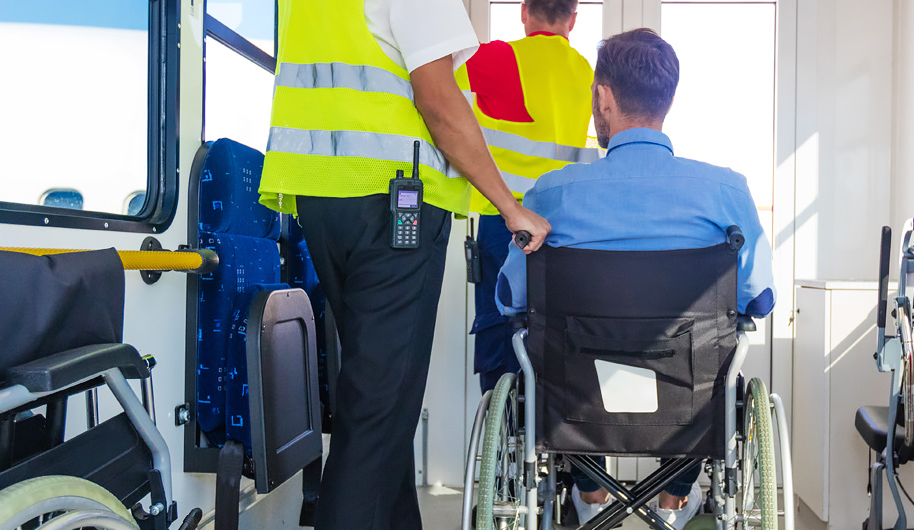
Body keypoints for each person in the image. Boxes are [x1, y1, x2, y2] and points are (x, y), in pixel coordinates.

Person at [255, 0, 551, 528]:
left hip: (323, 201)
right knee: (377, 411)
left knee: (378, 393)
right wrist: (508, 205)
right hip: (392, 208)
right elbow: (438, 101)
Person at [495, 28, 776, 526]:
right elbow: (757, 296)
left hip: (577, 404)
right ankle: (673, 501)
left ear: (603, 97)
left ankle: (591, 498)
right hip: (687, 405)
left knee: (552, 355)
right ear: (667, 99)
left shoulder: (550, 194)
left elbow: (513, 296)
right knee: (715, 360)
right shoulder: (725, 191)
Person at [455, 0, 599, 394]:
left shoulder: (496, 59)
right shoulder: (589, 74)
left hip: (504, 223)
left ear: (523, 11)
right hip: (566, 229)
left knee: (503, 339)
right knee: (563, 344)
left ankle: (502, 439)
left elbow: (438, 100)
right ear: (573, 18)